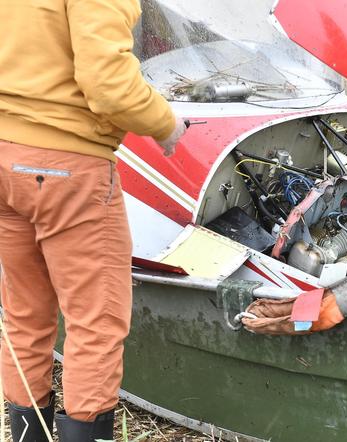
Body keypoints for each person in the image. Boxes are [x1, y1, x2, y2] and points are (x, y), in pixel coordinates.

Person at [0, 0, 187, 440]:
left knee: (25, 314)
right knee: (95, 323)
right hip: (67, 167)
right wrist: (166, 124)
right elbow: (107, 84)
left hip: (5, 157)